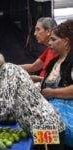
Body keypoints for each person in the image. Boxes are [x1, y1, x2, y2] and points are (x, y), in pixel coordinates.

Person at [41, 20, 73, 149]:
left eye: (53, 40)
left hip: (66, 119)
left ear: (66, 41)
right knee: (43, 145)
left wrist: (53, 93)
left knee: (51, 145)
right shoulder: (53, 62)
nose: (49, 43)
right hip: (49, 117)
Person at [21, 17, 57, 82]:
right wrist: (10, 67)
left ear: (48, 31)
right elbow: (33, 67)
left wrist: (37, 79)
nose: (35, 33)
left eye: (38, 29)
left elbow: (56, 80)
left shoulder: (59, 51)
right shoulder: (49, 50)